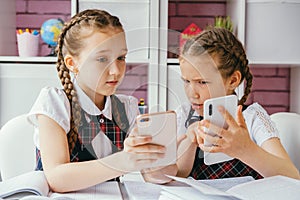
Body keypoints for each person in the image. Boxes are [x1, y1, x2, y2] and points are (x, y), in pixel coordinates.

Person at [27, 9, 166, 193]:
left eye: (121, 58)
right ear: (72, 63)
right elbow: (57, 178)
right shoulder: (55, 102)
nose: (116, 70)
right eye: (102, 59)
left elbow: (155, 177)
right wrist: (124, 160)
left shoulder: (127, 107)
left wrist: (160, 155)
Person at [175, 27, 300, 180]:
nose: (191, 93)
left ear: (233, 80)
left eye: (202, 82)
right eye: (186, 81)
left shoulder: (252, 117)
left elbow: (292, 176)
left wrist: (245, 149)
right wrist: (190, 141)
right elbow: (178, 174)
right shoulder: (185, 116)